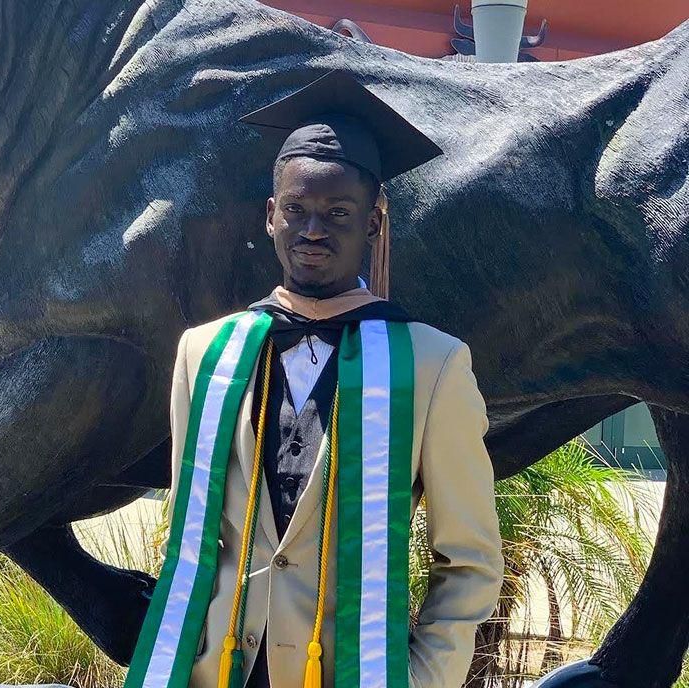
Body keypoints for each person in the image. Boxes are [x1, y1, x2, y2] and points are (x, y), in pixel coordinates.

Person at [125, 70, 503, 688]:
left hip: (350, 671)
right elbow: (191, 532)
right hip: (216, 671)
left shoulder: (431, 366)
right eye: (296, 210)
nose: (313, 230)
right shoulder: (204, 354)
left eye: (338, 212)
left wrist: (426, 678)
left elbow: (470, 560)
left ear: (374, 224)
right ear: (270, 216)